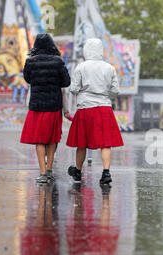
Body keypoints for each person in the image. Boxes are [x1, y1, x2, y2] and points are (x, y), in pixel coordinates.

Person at [66, 38, 123, 185]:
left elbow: (72, 89)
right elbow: (115, 91)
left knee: (82, 143)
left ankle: (78, 172)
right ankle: (106, 173)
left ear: (86, 50)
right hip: (104, 108)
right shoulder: (109, 68)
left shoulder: (80, 67)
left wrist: (83, 91)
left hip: (85, 108)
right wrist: (104, 95)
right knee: (105, 143)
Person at [20, 33, 71, 183]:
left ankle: (42, 173)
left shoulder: (30, 62)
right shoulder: (58, 62)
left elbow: (28, 79)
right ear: (51, 45)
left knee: (39, 139)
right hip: (54, 106)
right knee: (52, 138)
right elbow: (66, 82)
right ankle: (49, 170)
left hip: (37, 106)